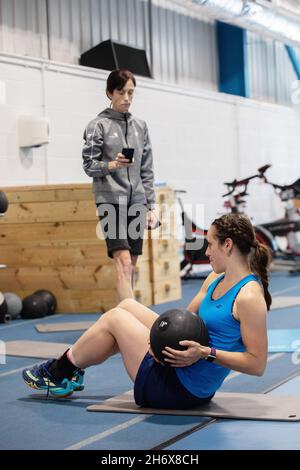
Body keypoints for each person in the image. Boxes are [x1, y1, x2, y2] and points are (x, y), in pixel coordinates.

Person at [22, 213, 272, 409]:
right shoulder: (214, 280)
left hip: (180, 390)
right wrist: (159, 340)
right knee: (127, 306)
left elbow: (257, 364)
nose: (206, 252)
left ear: (227, 245)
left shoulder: (249, 297)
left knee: (115, 319)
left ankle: (61, 371)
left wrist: (205, 353)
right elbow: (182, 321)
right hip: (176, 365)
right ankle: (70, 372)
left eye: (210, 245)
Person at [82, 69, 158, 301]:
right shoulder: (97, 125)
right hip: (110, 202)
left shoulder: (140, 126)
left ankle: (124, 319)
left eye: (131, 93)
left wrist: (151, 206)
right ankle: (127, 320)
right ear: (109, 93)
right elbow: (89, 165)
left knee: (131, 265)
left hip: (136, 203)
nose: (126, 98)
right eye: (121, 92)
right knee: (123, 261)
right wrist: (113, 165)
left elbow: (147, 169)